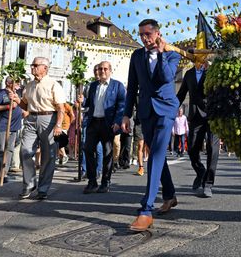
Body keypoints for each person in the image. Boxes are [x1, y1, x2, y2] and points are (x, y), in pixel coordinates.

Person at [121, 18, 181, 231]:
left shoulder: (173, 54)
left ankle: (146, 210)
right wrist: (127, 115)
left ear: (157, 33)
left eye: (148, 34)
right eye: (141, 35)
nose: (144, 39)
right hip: (146, 111)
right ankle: (170, 195)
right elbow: (132, 88)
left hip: (165, 110)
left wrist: (162, 53)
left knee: (154, 154)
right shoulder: (136, 55)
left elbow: (166, 78)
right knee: (156, 154)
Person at [9, 57, 66, 200]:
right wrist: (16, 99)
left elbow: (61, 108)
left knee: (48, 155)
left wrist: (58, 125)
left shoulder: (54, 85)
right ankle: (29, 184)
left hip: (49, 118)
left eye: (35, 65)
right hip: (31, 118)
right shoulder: (29, 85)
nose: (32, 67)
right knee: (25, 151)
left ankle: (43, 188)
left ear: (45, 68)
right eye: (32, 65)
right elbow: (25, 105)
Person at [79, 60, 126, 194]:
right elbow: (88, 103)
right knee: (88, 150)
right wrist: (82, 101)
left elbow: (121, 105)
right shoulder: (93, 86)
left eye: (105, 69)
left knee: (107, 153)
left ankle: (105, 182)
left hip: (108, 124)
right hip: (93, 122)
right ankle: (92, 181)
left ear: (110, 70)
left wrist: (117, 121)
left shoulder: (117, 86)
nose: (102, 71)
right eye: (100, 69)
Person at [177, 60, 220, 197]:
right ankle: (200, 171)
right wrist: (170, 108)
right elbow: (181, 94)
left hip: (213, 115)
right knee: (192, 149)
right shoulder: (189, 74)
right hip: (195, 116)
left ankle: (208, 183)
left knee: (213, 149)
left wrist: (211, 68)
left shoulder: (213, 71)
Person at [0, 77, 24, 184]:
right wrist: (8, 107)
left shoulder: (17, 94)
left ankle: (4, 174)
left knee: (9, 151)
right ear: (8, 83)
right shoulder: (1, 93)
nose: (18, 84)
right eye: (16, 82)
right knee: (0, 150)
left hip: (15, 126)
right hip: (4, 125)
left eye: (19, 82)